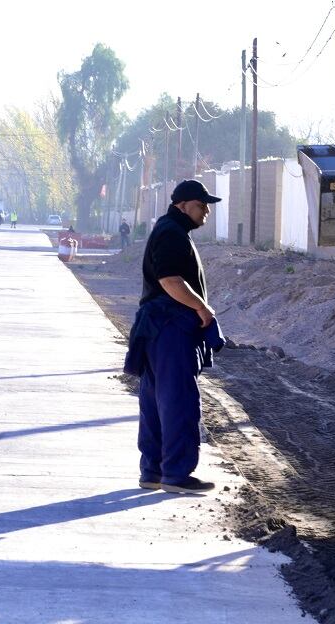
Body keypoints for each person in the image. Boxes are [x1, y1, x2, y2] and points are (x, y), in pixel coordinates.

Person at [123, 179, 223, 494]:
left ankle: (152, 471)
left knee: (154, 402)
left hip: (157, 328)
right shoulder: (171, 233)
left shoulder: (170, 230)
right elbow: (170, 280)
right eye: (200, 203)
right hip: (169, 327)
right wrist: (203, 309)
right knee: (178, 401)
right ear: (182, 205)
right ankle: (176, 475)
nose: (206, 210)